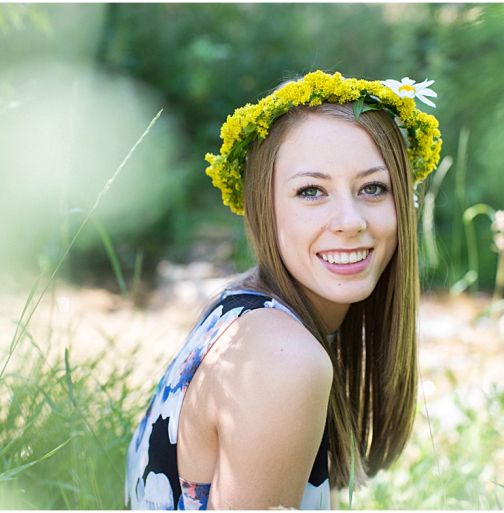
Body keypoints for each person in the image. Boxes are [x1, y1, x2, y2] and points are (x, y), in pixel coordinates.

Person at [125, 70, 441, 509]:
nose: (350, 221)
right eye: (311, 191)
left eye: (373, 188)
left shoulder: (241, 311)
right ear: (263, 208)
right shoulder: (282, 359)